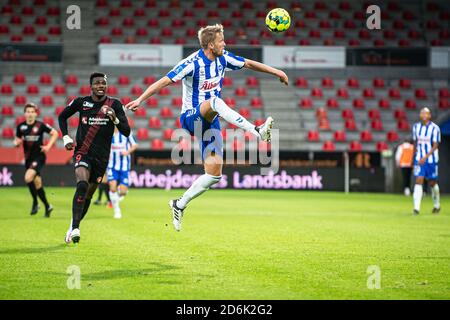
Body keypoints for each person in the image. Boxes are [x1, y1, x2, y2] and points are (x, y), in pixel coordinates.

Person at [126, 24, 288, 231]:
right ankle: (257, 131)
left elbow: (247, 63)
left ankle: (180, 203)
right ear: (211, 45)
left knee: (214, 174)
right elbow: (165, 81)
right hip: (190, 117)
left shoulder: (223, 58)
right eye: (221, 41)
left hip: (210, 122)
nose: (225, 43)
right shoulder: (192, 63)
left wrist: (277, 72)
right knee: (215, 101)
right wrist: (140, 99)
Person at [58, 72, 130, 243]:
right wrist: (66, 137)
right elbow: (62, 116)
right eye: (97, 83)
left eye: (103, 83)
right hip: (83, 152)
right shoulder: (81, 102)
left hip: (102, 158)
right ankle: (76, 228)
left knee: (89, 194)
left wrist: (115, 119)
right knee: (82, 184)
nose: (100, 86)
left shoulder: (115, 104)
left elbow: (127, 132)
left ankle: (72, 225)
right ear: (91, 86)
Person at [14, 103, 58, 217]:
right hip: (28, 159)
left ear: (36, 113)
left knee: (28, 177)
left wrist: (48, 146)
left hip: (39, 157)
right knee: (37, 183)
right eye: (28, 112)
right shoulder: (20, 127)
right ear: (24, 113)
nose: (30, 114)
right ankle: (48, 206)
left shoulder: (41, 125)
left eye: (32, 112)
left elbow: (55, 133)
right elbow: (17, 140)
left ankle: (35, 203)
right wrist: (16, 143)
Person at [412, 107, 441, 215]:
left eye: (426, 113)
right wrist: (414, 157)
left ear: (430, 116)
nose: (423, 115)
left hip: (431, 160)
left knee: (432, 183)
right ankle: (416, 208)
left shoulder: (435, 128)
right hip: (419, 159)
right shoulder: (416, 127)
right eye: (422, 113)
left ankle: (437, 205)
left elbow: (435, 145)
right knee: (419, 180)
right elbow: (415, 143)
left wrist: (426, 156)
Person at [107, 126, 138, 219]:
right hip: (112, 166)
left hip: (124, 166)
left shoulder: (126, 132)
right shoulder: (107, 133)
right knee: (112, 187)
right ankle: (117, 211)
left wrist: (127, 152)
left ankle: (121, 193)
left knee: (123, 192)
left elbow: (135, 145)